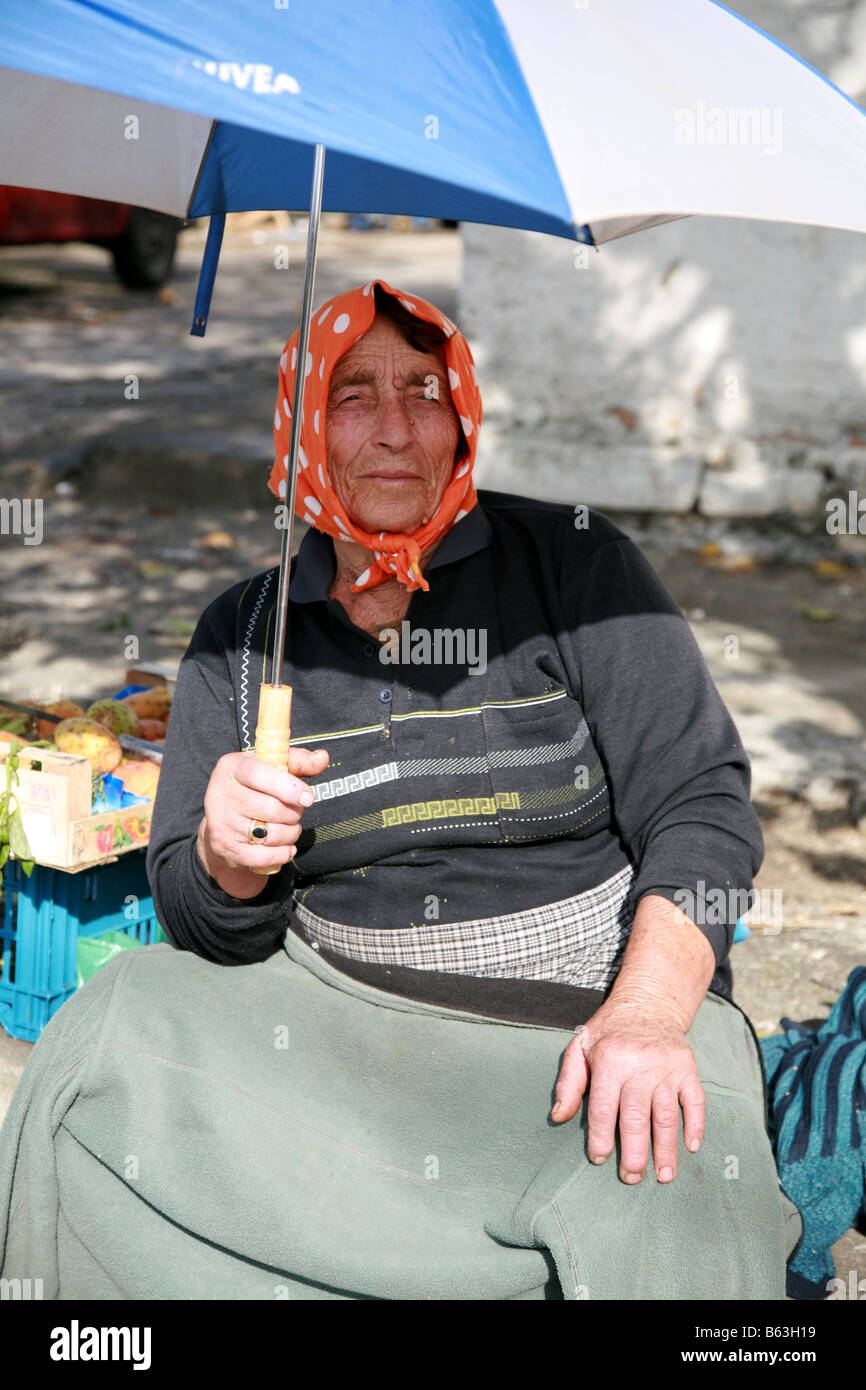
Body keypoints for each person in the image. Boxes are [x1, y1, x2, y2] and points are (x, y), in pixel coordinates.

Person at [0, 279, 801, 1300]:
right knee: (107, 1038)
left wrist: (645, 1013)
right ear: (303, 429)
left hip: (578, 1022)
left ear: (461, 414)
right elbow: (198, 918)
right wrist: (224, 860)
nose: (389, 429)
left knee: (682, 1144)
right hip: (340, 1030)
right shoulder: (246, 634)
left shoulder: (574, 564)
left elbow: (704, 806)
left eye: (422, 390)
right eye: (350, 395)